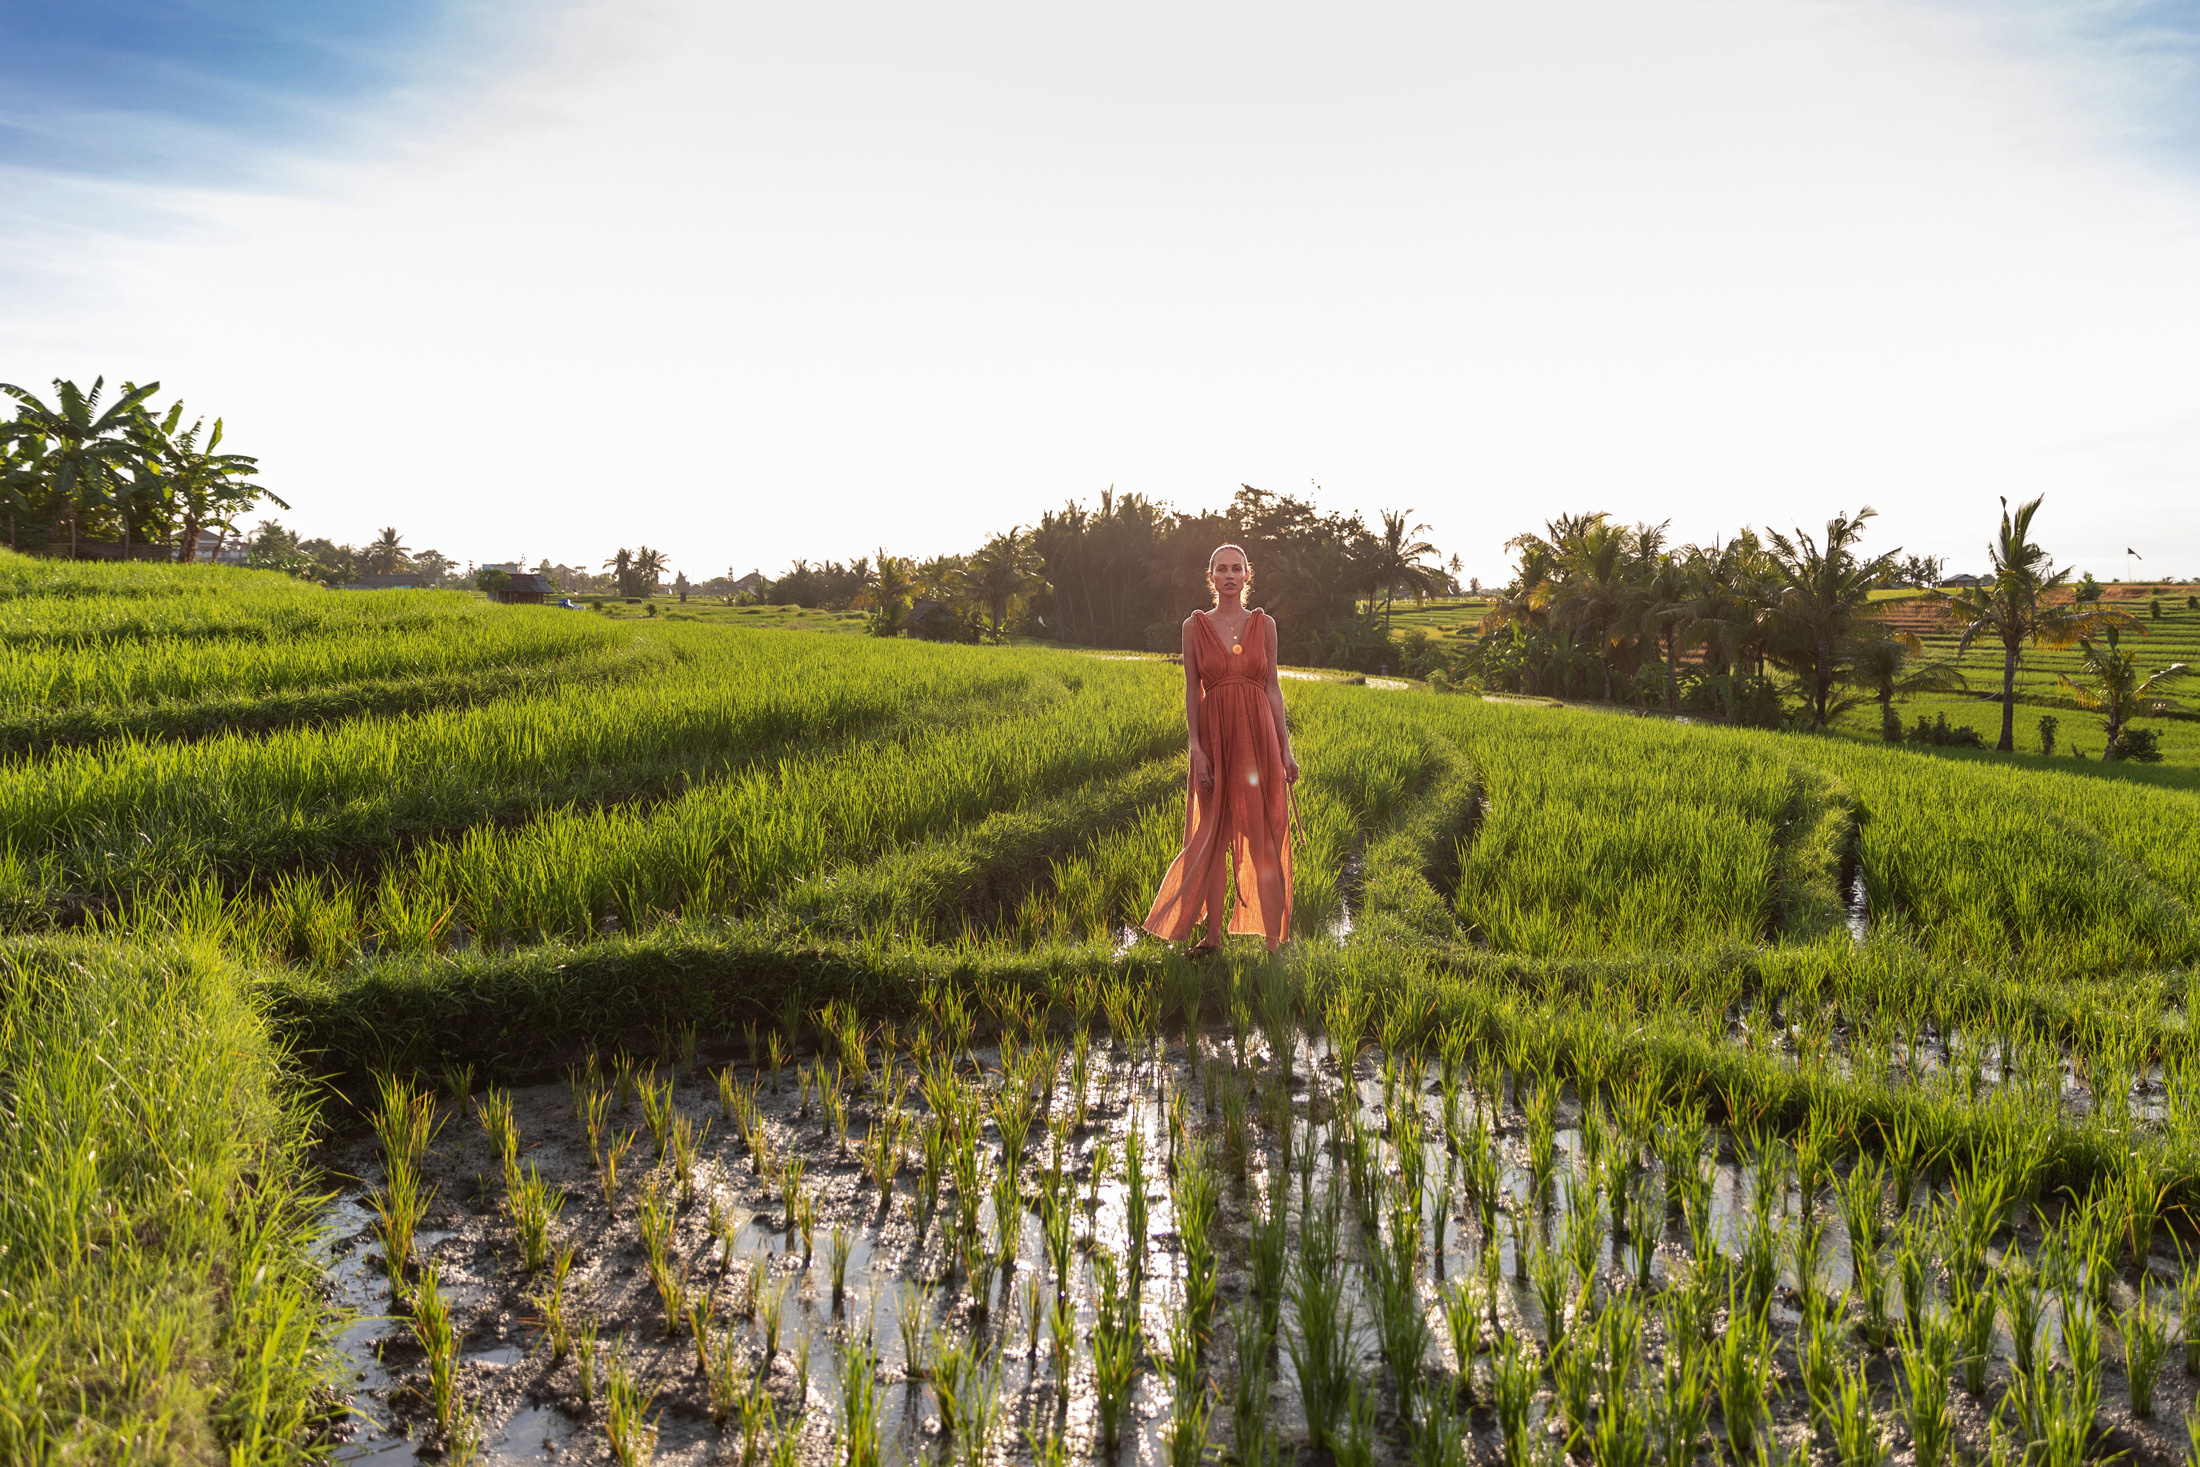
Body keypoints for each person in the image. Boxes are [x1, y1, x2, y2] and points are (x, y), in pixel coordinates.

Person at [1142, 543, 1299, 952]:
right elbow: (1193, 689)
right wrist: (1196, 747)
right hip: (1213, 738)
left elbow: (1272, 687)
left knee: (1263, 832)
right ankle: (1212, 938)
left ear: (1248, 576)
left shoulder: (1265, 625)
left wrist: (1286, 750)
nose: (1229, 575)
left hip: (1259, 736)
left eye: (1237, 569)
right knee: (1212, 834)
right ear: (1210, 576)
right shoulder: (1193, 627)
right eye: (1221, 569)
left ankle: (1271, 939)